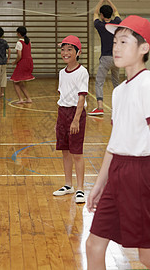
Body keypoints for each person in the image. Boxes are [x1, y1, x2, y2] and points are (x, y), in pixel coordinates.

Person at [85, 16, 150, 269]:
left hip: (140, 174)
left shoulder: (148, 85)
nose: (117, 47)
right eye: (115, 42)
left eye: (124, 41)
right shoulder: (120, 89)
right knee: (93, 245)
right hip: (117, 173)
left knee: (148, 256)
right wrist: (100, 184)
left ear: (144, 48)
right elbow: (115, 143)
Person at [53, 35, 89, 204]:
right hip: (63, 112)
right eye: (63, 49)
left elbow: (81, 98)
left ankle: (80, 188)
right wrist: (59, 120)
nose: (65, 53)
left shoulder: (82, 72)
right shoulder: (62, 72)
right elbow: (63, 95)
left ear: (78, 52)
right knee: (65, 150)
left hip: (76, 113)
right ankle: (68, 185)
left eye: (69, 49)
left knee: (76, 153)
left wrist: (75, 120)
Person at [88, 0, 121, 116]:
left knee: (99, 82)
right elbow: (116, 11)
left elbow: (95, 13)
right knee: (116, 83)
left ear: (102, 15)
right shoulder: (117, 23)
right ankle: (118, 107)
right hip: (117, 58)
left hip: (106, 58)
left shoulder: (101, 25)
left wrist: (102, 0)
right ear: (111, 14)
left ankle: (100, 107)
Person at [11, 26, 34, 104]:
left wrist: (15, 62)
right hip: (29, 62)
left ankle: (21, 99)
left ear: (19, 34)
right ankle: (28, 98)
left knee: (15, 81)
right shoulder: (28, 41)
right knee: (20, 82)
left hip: (23, 63)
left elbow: (20, 56)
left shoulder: (19, 42)